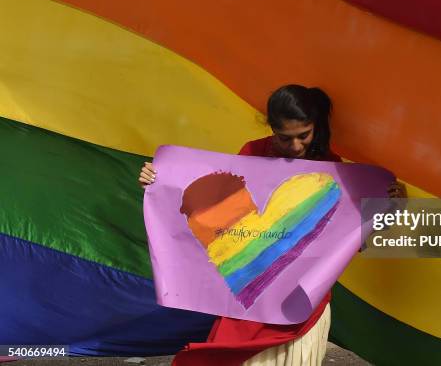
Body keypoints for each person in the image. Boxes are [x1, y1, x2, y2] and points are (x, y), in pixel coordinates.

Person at [139, 84, 407, 365]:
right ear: (271, 128)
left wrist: (391, 207)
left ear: (315, 126)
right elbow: (215, 212)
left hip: (301, 305)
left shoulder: (333, 169)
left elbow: (357, 242)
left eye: (303, 136)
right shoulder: (251, 153)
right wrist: (159, 183)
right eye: (284, 138)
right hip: (247, 301)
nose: (295, 146)